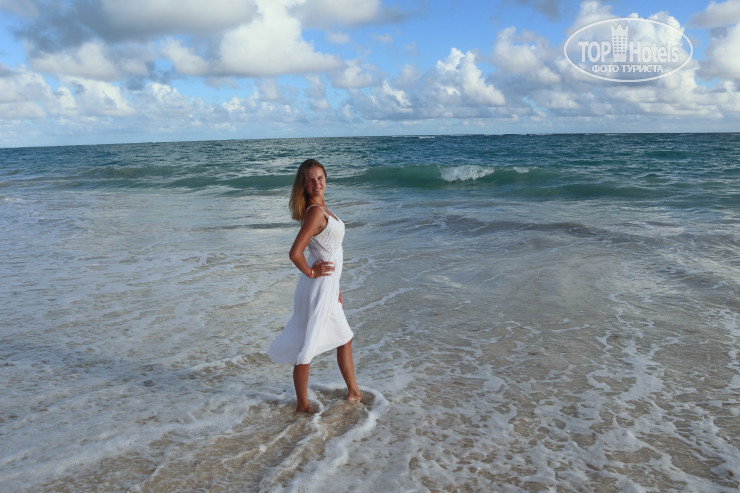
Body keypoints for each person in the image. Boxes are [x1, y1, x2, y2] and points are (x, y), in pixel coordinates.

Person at [267, 159, 363, 413]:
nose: (317, 183)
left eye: (320, 178)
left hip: (328, 288)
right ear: (304, 184)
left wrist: (336, 288)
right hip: (317, 288)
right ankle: (303, 405)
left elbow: (330, 253)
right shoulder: (315, 212)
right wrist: (312, 272)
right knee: (308, 345)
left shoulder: (323, 209)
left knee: (344, 338)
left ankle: (354, 393)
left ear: (325, 179)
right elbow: (295, 253)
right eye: (310, 180)